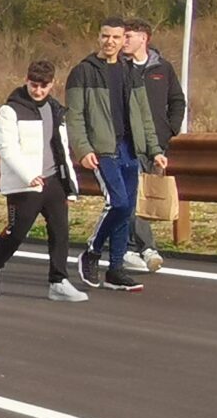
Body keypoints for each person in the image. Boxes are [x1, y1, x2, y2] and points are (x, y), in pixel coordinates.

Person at [64, 17, 166, 293]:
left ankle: (116, 269)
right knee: (118, 203)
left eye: (116, 37)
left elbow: (145, 115)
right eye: (105, 36)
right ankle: (92, 251)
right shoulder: (83, 72)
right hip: (103, 149)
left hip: (130, 149)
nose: (110, 42)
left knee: (127, 209)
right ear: (99, 37)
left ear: (124, 40)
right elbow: (74, 117)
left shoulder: (130, 71)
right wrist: (83, 149)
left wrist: (155, 150)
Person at [0, 60, 89, 302]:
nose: (38, 90)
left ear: (52, 84)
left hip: (53, 180)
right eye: (33, 85)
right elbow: (6, 148)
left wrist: (70, 186)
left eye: (43, 86)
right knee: (17, 232)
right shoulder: (10, 110)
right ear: (26, 81)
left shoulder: (55, 108)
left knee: (60, 231)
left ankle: (58, 281)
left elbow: (61, 148)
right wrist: (29, 175)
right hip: (24, 184)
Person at [122, 17, 189, 273]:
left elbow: (177, 100)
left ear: (144, 38)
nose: (124, 41)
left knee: (141, 197)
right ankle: (147, 248)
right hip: (128, 142)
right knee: (132, 194)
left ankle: (128, 246)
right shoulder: (120, 67)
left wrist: (169, 129)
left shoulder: (163, 67)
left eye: (128, 36)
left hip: (156, 143)